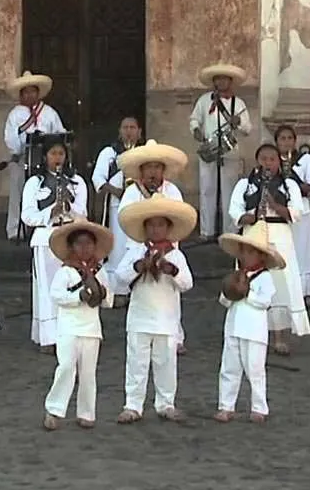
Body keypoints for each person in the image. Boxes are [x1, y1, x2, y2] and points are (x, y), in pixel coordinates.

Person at [111, 197, 196, 424]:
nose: (155, 229)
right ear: (145, 228)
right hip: (139, 317)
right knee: (136, 362)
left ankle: (166, 403)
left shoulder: (176, 255)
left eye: (160, 225)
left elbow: (188, 283)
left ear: (168, 228)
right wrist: (138, 266)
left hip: (167, 319)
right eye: (151, 225)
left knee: (166, 362)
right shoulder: (138, 251)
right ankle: (133, 405)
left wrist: (173, 271)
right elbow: (120, 276)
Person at [227, 143, 310, 354]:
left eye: (272, 159)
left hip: (280, 236)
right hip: (253, 235)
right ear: (258, 161)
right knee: (252, 281)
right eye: (264, 158)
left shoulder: (289, 185)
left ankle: (279, 336)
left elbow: (296, 213)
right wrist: (254, 214)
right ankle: (250, 333)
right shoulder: (245, 185)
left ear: (278, 162)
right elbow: (235, 212)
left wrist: (274, 205)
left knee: (280, 285)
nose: (268, 163)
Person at [112, 142, 190, 353]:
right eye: (149, 167)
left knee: (171, 291)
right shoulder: (131, 192)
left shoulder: (172, 190)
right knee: (142, 291)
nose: (153, 172)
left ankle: (176, 335)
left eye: (157, 167)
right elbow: (125, 219)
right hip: (139, 245)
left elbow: (177, 217)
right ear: (142, 170)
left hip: (167, 246)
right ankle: (141, 331)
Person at [43, 220, 115, 430]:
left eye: (88, 244)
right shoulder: (65, 271)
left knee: (88, 373)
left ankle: (86, 412)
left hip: (92, 329)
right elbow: (56, 296)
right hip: (69, 328)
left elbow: (108, 300)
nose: (84, 249)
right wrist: (79, 296)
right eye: (79, 244)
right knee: (66, 367)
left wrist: (100, 294)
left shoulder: (99, 272)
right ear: (72, 247)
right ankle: (54, 409)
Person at [23, 139, 91, 351]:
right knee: (48, 288)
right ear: (45, 157)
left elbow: (83, 214)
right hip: (46, 238)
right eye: (53, 154)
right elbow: (27, 215)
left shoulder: (77, 182)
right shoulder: (35, 183)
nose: (57, 158)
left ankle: (69, 334)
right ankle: (49, 337)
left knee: (70, 286)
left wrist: (69, 206)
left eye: (61, 154)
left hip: (70, 235)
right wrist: (49, 213)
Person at [215, 229, 281, 424]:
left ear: (261, 255)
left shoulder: (265, 277)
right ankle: (226, 406)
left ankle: (259, 407)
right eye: (243, 252)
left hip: (254, 331)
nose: (246, 256)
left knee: (255, 369)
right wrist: (231, 290)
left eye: (251, 252)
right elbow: (224, 300)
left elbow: (265, 302)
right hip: (233, 327)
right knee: (229, 368)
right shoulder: (236, 275)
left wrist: (247, 293)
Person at [190, 63, 253, 240]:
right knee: (207, 190)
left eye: (224, 79)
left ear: (230, 82)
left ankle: (229, 231)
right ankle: (207, 231)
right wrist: (196, 130)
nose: (221, 82)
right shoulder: (204, 101)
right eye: (217, 79)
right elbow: (194, 120)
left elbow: (248, 129)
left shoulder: (238, 103)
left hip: (229, 152)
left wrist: (238, 122)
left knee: (230, 192)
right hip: (209, 151)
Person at [1, 72, 66, 241]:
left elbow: (60, 134)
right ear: (21, 94)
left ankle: (46, 222)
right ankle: (15, 230)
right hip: (23, 157)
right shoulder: (15, 114)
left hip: (47, 160)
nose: (30, 95)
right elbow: (10, 139)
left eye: (33, 91)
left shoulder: (49, 112)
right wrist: (21, 144)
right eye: (26, 92)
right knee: (18, 193)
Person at [276, 125, 310, 301]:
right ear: (277, 141)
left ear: (295, 141)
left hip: (300, 210)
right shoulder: (272, 160)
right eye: (282, 138)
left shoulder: (306, 160)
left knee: (302, 248)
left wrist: (292, 182)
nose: (286, 142)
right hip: (279, 212)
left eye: (290, 138)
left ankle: (303, 286)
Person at [92, 115, 146, 248]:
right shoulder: (109, 152)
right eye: (125, 127)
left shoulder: (145, 152)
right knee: (117, 243)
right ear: (120, 131)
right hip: (116, 204)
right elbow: (97, 177)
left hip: (140, 204)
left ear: (139, 132)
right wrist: (116, 192)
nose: (128, 131)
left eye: (132, 127)